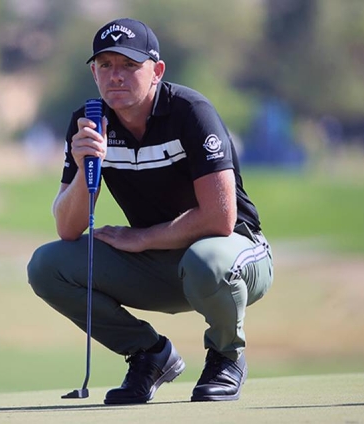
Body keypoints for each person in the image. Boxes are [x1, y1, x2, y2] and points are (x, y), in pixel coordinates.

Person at [27, 17, 273, 405]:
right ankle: (149, 355)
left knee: (206, 259)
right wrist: (84, 166)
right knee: (47, 265)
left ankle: (226, 355)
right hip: (161, 264)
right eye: (105, 66)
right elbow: (68, 229)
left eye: (129, 65)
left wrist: (142, 238)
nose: (116, 77)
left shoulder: (190, 112)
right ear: (94, 73)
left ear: (157, 71)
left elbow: (219, 219)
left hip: (234, 255)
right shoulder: (89, 121)